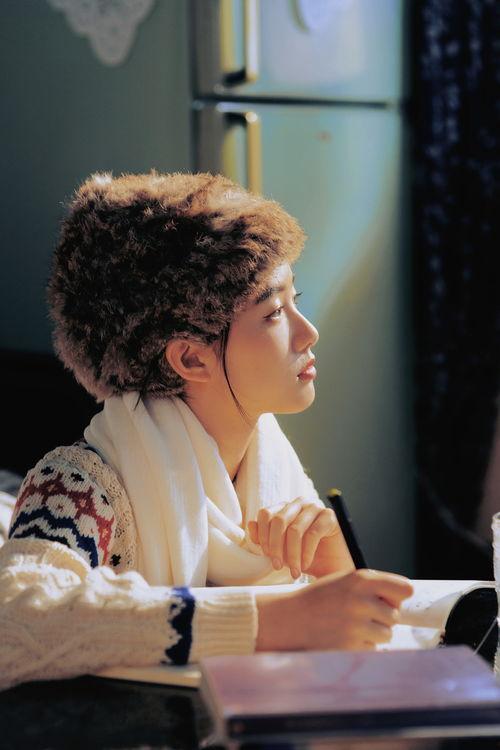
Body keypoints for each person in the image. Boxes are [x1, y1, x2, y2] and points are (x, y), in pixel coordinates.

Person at [0, 171, 413, 690]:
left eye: (297, 299)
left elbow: (353, 650)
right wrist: (266, 622)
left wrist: (332, 559)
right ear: (191, 358)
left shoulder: (270, 468)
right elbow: (12, 625)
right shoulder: (79, 487)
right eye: (274, 313)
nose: (308, 332)